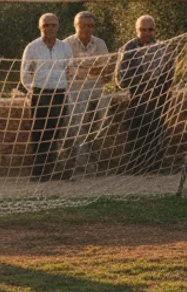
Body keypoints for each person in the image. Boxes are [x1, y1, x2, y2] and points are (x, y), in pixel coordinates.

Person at [118, 15, 174, 174]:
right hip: (135, 96)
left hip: (157, 96)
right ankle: (136, 167)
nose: (147, 33)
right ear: (136, 30)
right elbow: (120, 78)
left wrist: (161, 90)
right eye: (143, 30)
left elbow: (169, 73)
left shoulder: (162, 48)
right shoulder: (128, 48)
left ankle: (156, 166)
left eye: (150, 29)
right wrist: (141, 80)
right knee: (136, 132)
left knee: (156, 131)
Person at [21, 13, 74, 181]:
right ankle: (38, 173)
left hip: (59, 94)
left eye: (53, 25)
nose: (50, 28)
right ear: (40, 27)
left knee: (56, 132)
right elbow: (25, 74)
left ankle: (52, 170)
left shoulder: (64, 47)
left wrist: (66, 87)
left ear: (58, 27)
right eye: (46, 25)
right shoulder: (32, 47)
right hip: (40, 94)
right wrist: (34, 91)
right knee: (39, 133)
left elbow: (70, 69)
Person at [62, 11, 111, 175]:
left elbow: (104, 69)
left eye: (91, 26)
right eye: (83, 26)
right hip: (75, 90)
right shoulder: (66, 44)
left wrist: (83, 69)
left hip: (97, 88)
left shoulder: (100, 43)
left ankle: (100, 160)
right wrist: (91, 68)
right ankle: (82, 164)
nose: (88, 29)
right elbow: (68, 72)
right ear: (75, 26)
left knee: (104, 120)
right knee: (78, 122)